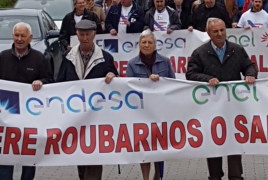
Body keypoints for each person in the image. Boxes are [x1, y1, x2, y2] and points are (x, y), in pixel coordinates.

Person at [186, 18, 257, 180]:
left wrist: (250, 75)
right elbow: (190, 73)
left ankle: (236, 176)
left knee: (234, 144)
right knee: (213, 144)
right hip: (210, 109)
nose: (219, 34)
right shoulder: (200, 53)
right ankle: (215, 176)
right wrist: (207, 79)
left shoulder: (237, 50)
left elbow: (249, 66)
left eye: (222, 30)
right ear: (208, 33)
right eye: (215, 31)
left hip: (233, 108)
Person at [57, 20, 118, 180]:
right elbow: (59, 83)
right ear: (76, 35)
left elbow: (117, 83)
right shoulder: (68, 57)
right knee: (80, 156)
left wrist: (113, 77)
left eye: (87, 34)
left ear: (94, 35)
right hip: (75, 116)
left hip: (96, 118)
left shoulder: (105, 58)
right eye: (81, 34)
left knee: (94, 156)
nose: (84, 38)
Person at [0, 22, 54, 180]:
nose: (19, 39)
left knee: (29, 157)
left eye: (23, 35)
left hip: (30, 118)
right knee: (5, 157)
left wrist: (41, 82)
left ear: (30, 38)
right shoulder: (2, 57)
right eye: (16, 35)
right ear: (12, 36)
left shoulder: (39, 58)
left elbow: (50, 80)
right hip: (6, 119)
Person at [126, 29, 175, 180]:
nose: (147, 45)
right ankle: (145, 177)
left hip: (161, 111)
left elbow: (172, 84)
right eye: (144, 42)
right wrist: (147, 82)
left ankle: (158, 175)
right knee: (144, 149)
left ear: (155, 45)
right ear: (139, 45)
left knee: (159, 147)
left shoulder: (165, 62)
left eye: (150, 42)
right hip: (141, 113)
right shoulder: (132, 64)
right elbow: (129, 88)